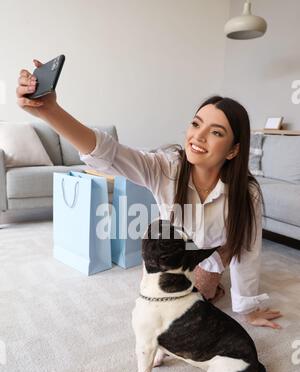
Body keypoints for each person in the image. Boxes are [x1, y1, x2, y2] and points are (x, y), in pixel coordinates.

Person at [16, 59, 283, 328]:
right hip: (170, 254)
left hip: (210, 253)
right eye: (196, 124)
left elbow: (248, 249)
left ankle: (215, 284)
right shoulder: (166, 167)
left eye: (215, 132)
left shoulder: (246, 193)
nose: (198, 136)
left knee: (200, 299)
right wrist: (50, 111)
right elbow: (110, 153)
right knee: (165, 312)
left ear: (233, 150)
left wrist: (247, 308)